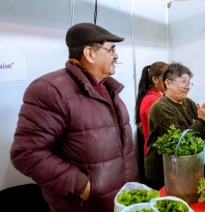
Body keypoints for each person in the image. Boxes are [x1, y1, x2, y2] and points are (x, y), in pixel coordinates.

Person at [10, 23, 137, 212]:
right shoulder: (51, 90)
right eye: (111, 49)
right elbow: (26, 154)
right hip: (84, 206)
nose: (116, 55)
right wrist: (82, 186)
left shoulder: (109, 88)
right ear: (89, 53)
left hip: (119, 203)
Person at [144, 62, 205, 190]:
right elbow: (180, 143)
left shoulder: (188, 103)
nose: (187, 87)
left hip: (181, 167)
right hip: (162, 172)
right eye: (183, 82)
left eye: (189, 83)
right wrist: (201, 120)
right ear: (168, 83)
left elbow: (203, 135)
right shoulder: (160, 108)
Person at [134, 61, 167, 183]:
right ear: (155, 79)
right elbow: (164, 130)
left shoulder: (159, 97)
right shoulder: (152, 101)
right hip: (155, 158)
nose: (170, 82)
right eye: (166, 78)